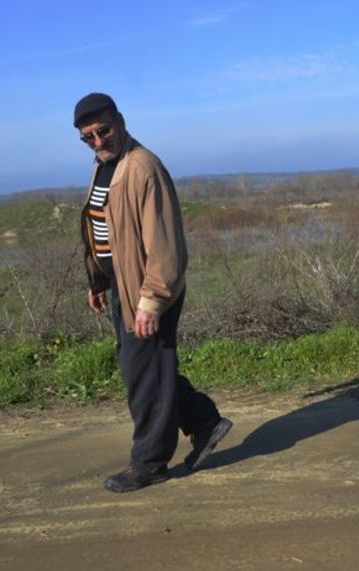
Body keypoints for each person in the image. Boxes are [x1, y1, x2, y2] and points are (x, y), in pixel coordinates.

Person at [73, 92, 232, 493]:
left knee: (143, 375)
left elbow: (165, 245)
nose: (97, 141)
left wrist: (151, 302)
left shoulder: (143, 167)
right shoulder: (105, 166)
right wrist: (97, 280)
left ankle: (150, 462)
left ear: (121, 121)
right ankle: (203, 421)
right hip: (122, 287)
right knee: (146, 370)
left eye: (103, 131)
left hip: (148, 293)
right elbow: (102, 230)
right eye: (88, 137)